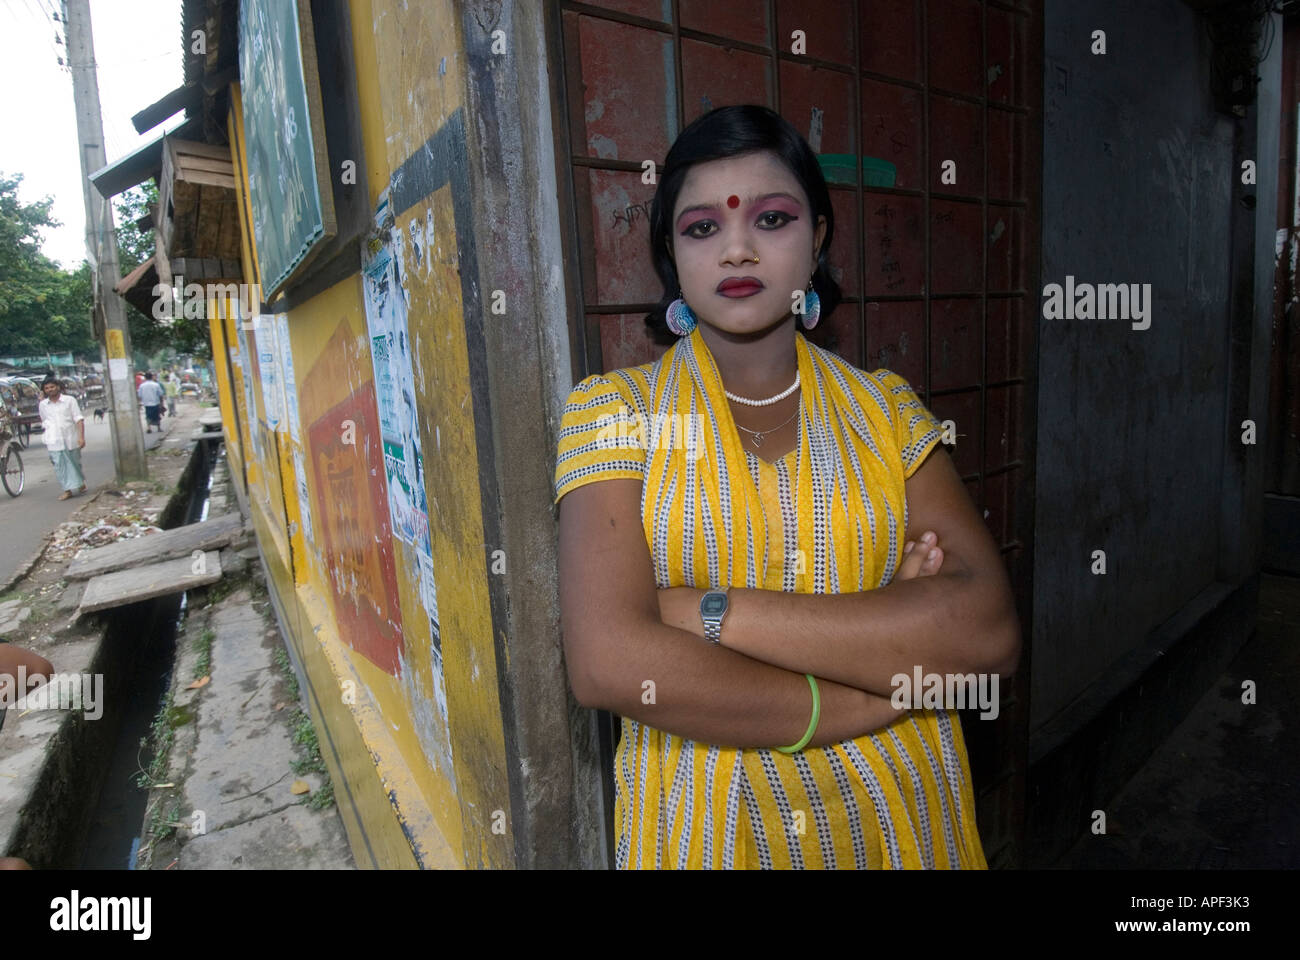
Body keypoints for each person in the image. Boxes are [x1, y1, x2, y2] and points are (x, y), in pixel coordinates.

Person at [553, 105, 1020, 869]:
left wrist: (703, 613)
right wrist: (876, 685)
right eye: (701, 228)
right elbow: (610, 663)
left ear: (819, 240)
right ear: (670, 252)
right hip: (707, 831)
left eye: (772, 219)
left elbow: (988, 635)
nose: (737, 248)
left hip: (899, 819)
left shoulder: (886, 411)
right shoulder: (614, 414)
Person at [37, 374, 86, 500]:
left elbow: (78, 419)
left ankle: (80, 483)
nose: (50, 390)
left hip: (71, 437)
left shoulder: (70, 400)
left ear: (58, 387)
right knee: (59, 466)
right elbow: (44, 420)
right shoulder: (43, 405)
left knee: (75, 463)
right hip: (54, 440)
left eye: (52, 387)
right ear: (44, 390)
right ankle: (67, 490)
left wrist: (81, 437)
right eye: (47, 388)